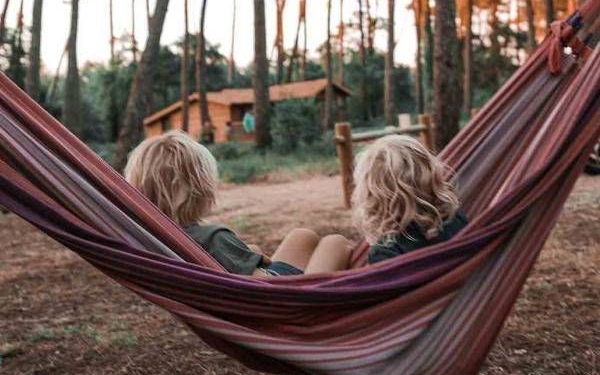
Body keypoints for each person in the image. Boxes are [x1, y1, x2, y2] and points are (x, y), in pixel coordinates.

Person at [125, 131, 352, 277]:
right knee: (336, 242)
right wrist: (255, 261)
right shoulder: (213, 238)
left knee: (303, 235)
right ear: (201, 189)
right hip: (292, 300)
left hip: (252, 294)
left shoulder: (159, 239)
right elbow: (265, 290)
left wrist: (248, 256)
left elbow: (231, 266)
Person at [352, 134, 468, 265]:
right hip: (466, 283)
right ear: (432, 177)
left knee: (334, 243)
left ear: (370, 195)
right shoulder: (457, 220)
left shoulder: (386, 251)